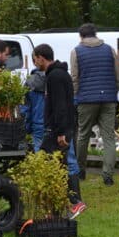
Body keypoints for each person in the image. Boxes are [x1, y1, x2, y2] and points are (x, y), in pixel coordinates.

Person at [32, 43, 86, 219]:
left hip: (58, 129)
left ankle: (74, 201)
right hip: (60, 127)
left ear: (41, 57)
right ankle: (57, 207)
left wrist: (61, 132)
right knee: (59, 164)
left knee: (50, 162)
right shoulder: (60, 74)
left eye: (35, 59)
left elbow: (61, 105)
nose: (35, 63)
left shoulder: (55, 76)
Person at [70, 23, 119, 186]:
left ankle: (80, 171)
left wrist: (76, 96)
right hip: (108, 99)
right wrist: (113, 91)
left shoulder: (76, 51)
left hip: (86, 99)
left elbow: (74, 78)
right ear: (96, 34)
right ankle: (107, 174)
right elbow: (118, 75)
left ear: (81, 36)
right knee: (108, 137)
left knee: (83, 135)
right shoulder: (109, 50)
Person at [20, 64, 83, 195]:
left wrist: (27, 127)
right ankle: (74, 193)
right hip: (58, 125)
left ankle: (47, 193)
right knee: (69, 158)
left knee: (42, 160)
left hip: (39, 125)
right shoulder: (60, 78)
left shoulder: (31, 82)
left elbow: (26, 109)